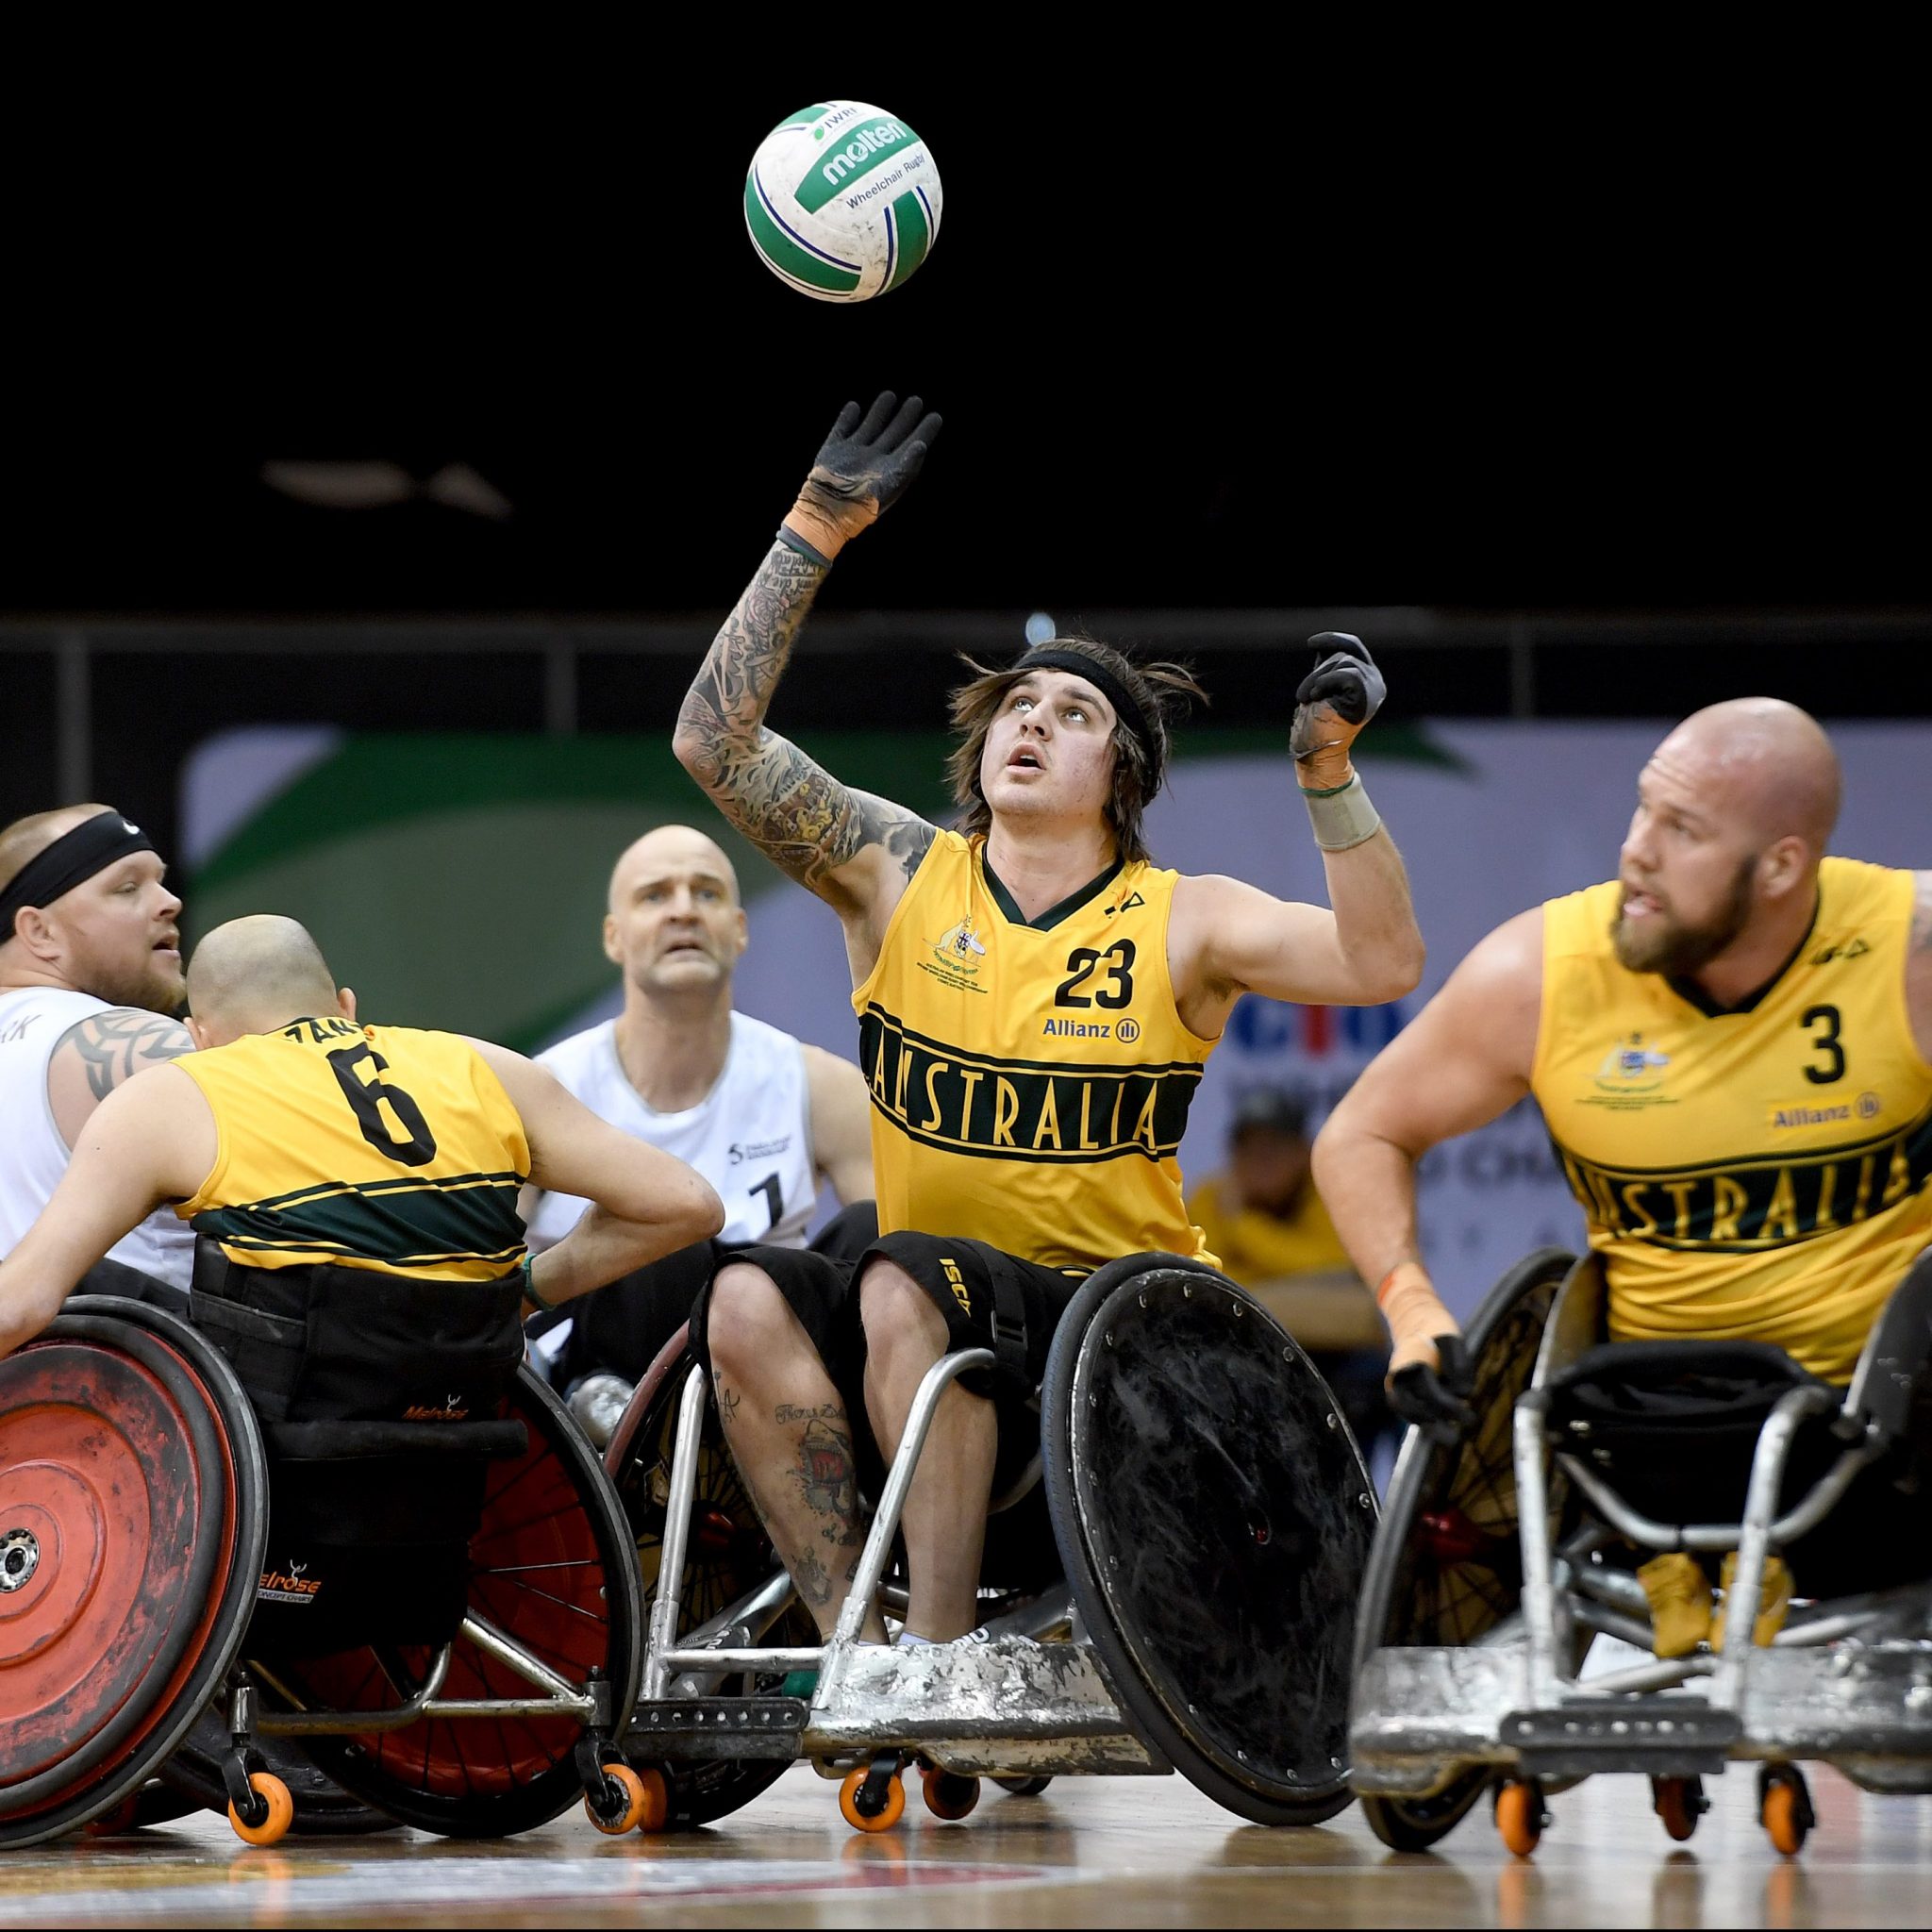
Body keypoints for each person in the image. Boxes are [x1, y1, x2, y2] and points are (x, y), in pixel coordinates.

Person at [670, 391, 1425, 1646]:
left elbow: (1383, 956)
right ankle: (856, 1653)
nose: (1033, 720)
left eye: (1073, 715)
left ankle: (942, 1657)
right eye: (1020, 706)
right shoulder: (901, 873)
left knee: (905, 1277)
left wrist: (1328, 774)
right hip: (929, 1316)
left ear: (1118, 775)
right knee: (745, 1295)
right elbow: (712, 738)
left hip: (1113, 1332)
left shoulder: (1181, 918)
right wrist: (815, 525)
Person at [1312, 696, 1932, 1649]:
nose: (1635, 848)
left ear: (1779, 865)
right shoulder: (1540, 970)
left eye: (1680, 828)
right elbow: (1360, 1131)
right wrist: (1408, 1306)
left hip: (1886, 1430)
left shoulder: (1907, 948)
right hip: (1651, 1437)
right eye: (1642, 808)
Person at [0, 914, 724, 1361]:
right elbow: (687, 1203)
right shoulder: (483, 1065)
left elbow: (22, 1307)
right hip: (465, 1416)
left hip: (276, 1438)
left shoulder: (176, 1093)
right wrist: (526, 1292)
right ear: (347, 1007)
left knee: (92, 1282)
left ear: (199, 1037)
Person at [522, 824, 875, 1432]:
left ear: (740, 931)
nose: (683, 910)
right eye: (655, 895)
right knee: (662, 1227)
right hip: (597, 1383)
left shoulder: (819, 1085)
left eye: (706, 893)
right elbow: (477, 1273)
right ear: (615, 937)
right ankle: (619, 1429)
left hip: (779, 1374)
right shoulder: (545, 1090)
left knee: (878, 1234)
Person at [0, 804, 197, 1297]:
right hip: (138, 1367)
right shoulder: (129, 1044)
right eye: (127, 888)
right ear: (39, 931)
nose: (169, 902)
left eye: (161, 881)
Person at [1186, 1084, 1395, 1473]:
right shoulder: (1210, 1196)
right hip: (1241, 1358)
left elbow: (1336, 1269)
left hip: (1336, 1360)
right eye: (1249, 1149)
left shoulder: (1330, 1194)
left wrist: (1244, 1230)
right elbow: (1200, 1277)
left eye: (1274, 1148)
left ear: (1303, 1152)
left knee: (1382, 1381)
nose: (1260, 1161)